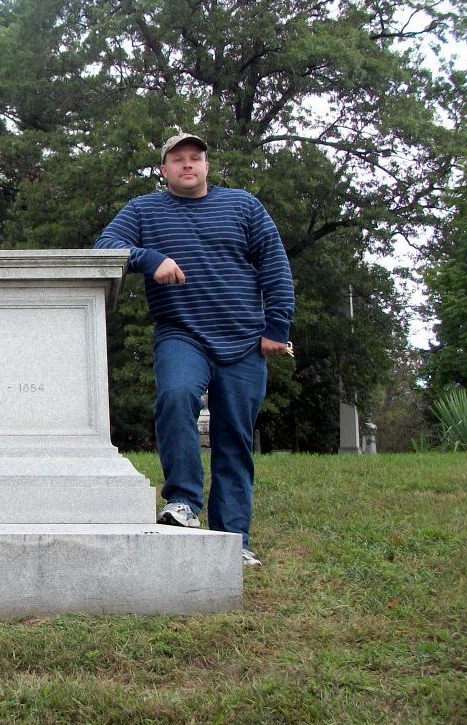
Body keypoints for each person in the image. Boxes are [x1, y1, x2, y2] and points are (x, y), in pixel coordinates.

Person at [94, 132, 294, 567]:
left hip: (244, 338)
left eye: (195, 158)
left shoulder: (243, 205)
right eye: (178, 159)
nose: (188, 165)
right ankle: (183, 501)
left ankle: (234, 539)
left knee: (234, 439)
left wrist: (277, 326)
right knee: (176, 395)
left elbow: (275, 264)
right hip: (181, 333)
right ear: (163, 170)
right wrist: (149, 259)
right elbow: (103, 248)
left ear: (206, 166)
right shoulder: (144, 210)